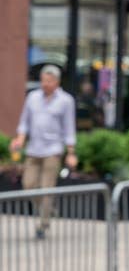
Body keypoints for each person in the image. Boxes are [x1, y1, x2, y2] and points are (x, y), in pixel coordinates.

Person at [10, 64, 78, 239]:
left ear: (56, 82)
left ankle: (43, 224)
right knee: (29, 185)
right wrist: (19, 139)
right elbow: (24, 122)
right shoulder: (33, 97)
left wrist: (71, 152)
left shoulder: (65, 100)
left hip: (53, 150)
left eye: (49, 81)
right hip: (34, 148)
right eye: (43, 80)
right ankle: (46, 208)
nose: (45, 84)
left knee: (47, 188)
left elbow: (69, 128)